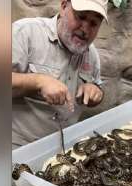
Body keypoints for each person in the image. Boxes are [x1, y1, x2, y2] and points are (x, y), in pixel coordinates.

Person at [12, 0, 108, 149]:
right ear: (63, 7)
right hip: (18, 148)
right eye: (80, 17)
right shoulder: (26, 32)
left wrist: (96, 93)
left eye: (94, 23)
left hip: (64, 149)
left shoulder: (91, 54)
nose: (85, 29)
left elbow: (97, 89)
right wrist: (38, 81)